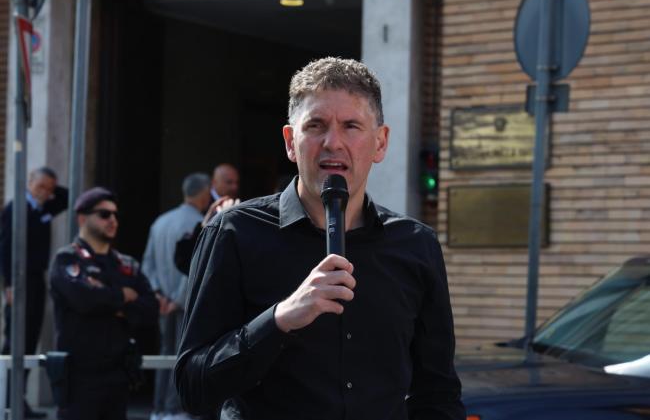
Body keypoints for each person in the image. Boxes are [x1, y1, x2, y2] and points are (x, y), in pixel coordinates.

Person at [175, 57, 465, 420]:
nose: (333, 142)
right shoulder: (233, 233)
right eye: (316, 125)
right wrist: (279, 319)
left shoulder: (416, 245)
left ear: (380, 142)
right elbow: (191, 387)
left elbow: (438, 392)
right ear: (290, 142)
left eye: (351, 126)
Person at [49, 187, 158, 420]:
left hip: (118, 375)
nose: (112, 220)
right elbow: (84, 300)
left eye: (115, 215)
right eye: (104, 214)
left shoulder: (126, 264)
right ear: (82, 218)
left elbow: (150, 309)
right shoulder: (67, 258)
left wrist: (107, 299)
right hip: (79, 378)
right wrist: (123, 296)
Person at [142, 173, 212, 420]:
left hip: (163, 302)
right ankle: (174, 409)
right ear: (205, 194)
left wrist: (158, 295)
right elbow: (191, 267)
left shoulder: (160, 222)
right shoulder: (199, 223)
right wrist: (177, 300)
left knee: (164, 353)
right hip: (184, 303)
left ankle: (159, 407)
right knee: (181, 355)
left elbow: (148, 264)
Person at [0, 166, 68, 419]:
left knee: (30, 340)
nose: (44, 193)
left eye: (49, 189)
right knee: (15, 340)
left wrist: (51, 189)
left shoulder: (44, 208)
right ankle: (6, 398)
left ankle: (17, 398)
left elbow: (67, 197)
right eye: (40, 187)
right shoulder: (16, 208)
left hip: (37, 280)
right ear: (29, 183)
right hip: (19, 281)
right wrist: (9, 284)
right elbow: (4, 248)